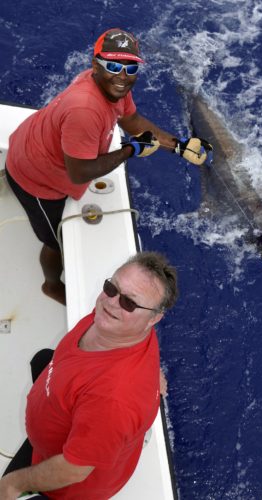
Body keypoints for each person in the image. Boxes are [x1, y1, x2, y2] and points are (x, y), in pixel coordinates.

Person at [5, 28, 211, 305]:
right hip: (37, 180)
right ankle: (51, 285)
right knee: (55, 241)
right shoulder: (86, 110)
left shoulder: (114, 89)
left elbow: (134, 123)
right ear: (95, 66)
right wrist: (130, 150)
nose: (122, 75)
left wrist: (178, 145)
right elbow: (79, 172)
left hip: (37, 146)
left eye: (130, 67)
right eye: (113, 66)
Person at [0, 251, 178, 500]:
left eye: (129, 303)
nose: (112, 302)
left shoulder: (113, 400)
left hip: (66, 484)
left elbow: (73, 470)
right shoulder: (117, 324)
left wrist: (14, 483)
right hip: (69, 419)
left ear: (153, 319)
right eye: (111, 288)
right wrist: (151, 373)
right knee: (42, 358)